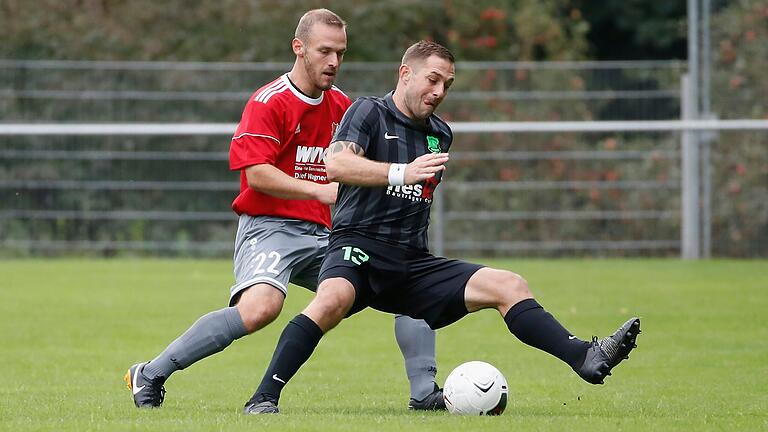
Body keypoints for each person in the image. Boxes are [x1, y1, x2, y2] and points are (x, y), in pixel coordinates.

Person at [241, 40, 642, 414]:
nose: (439, 91)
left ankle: (586, 357)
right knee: (331, 300)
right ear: (405, 74)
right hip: (357, 247)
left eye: (447, 84)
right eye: (432, 79)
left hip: (411, 262)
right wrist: (401, 172)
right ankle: (263, 398)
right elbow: (336, 165)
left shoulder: (440, 134)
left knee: (509, 285)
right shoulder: (367, 111)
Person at [124, 10, 445, 411]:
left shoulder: (343, 105)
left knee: (408, 285)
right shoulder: (270, 101)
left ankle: (424, 394)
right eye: (324, 51)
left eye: (340, 53)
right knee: (260, 309)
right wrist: (319, 191)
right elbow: (256, 175)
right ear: (299, 48)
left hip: (329, 233)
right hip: (270, 227)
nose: (333, 62)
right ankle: (150, 373)